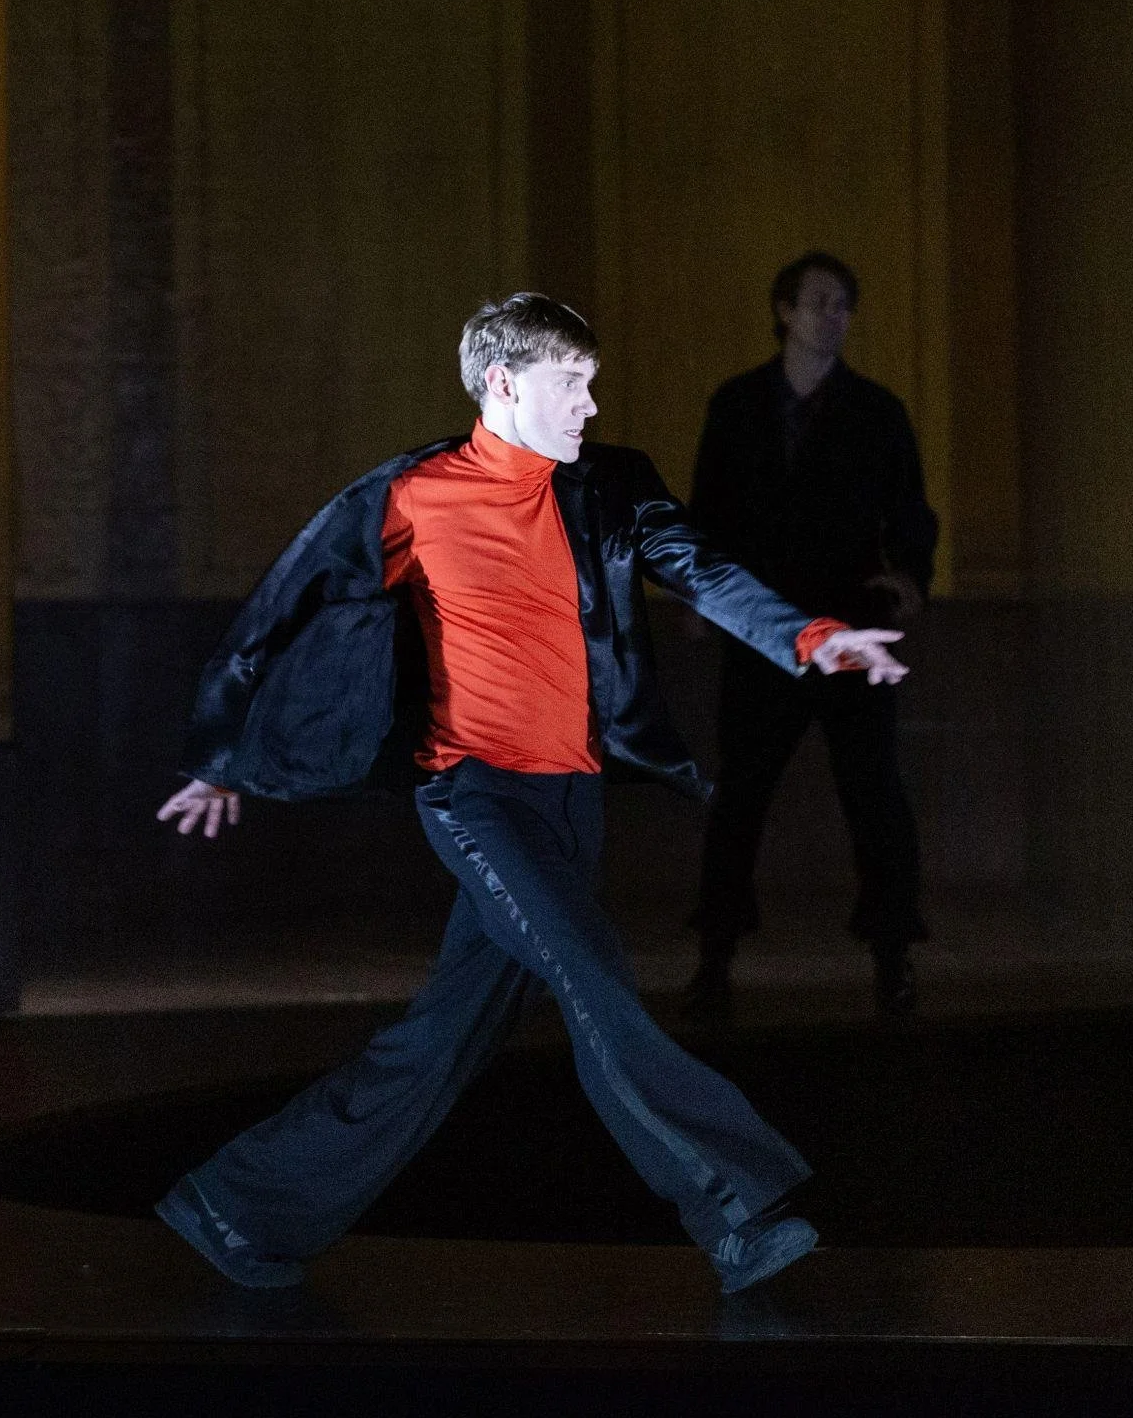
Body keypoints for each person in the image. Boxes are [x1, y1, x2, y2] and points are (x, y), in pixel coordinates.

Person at [150, 294, 908, 1294]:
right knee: (596, 990)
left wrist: (813, 637)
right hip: (475, 799)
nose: (592, 403)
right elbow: (287, 605)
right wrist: (223, 753)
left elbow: (703, 569)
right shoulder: (415, 494)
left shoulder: (608, 488)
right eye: (572, 383)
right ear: (505, 383)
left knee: (441, 1044)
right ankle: (734, 1214)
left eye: (592, 382)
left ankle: (237, 1206)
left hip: (571, 803)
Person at [682, 253, 938, 1021]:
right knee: (743, 796)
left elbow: (910, 511)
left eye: (845, 306)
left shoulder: (877, 413)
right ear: (784, 310)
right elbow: (710, 508)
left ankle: (892, 957)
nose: (837, 317)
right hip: (766, 621)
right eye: (823, 303)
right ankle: (715, 957)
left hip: (849, 618)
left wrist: (910, 576)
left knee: (873, 792)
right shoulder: (737, 408)